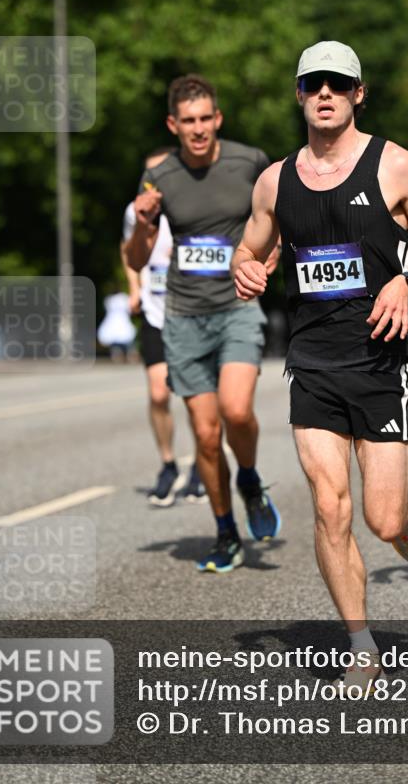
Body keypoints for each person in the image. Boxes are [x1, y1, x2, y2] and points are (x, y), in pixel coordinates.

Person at [232, 41, 408, 693]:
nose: (325, 93)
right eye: (313, 84)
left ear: (358, 93)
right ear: (299, 93)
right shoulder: (274, 180)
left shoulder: (394, 166)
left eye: (338, 83)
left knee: (380, 520)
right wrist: (245, 268)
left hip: (380, 364)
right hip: (311, 366)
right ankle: (359, 644)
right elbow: (247, 250)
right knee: (329, 508)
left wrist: (407, 283)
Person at [125, 74, 280, 573]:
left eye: (204, 119)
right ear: (174, 124)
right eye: (186, 121)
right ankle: (225, 532)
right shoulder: (160, 179)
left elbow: (277, 220)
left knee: (237, 412)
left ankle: (250, 479)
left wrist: (269, 259)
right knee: (207, 436)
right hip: (184, 316)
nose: (197, 129)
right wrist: (142, 219)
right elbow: (136, 258)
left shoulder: (249, 162)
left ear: (218, 119)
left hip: (236, 306)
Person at [121, 148, 205, 507]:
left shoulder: (194, 206)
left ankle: (203, 467)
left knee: (195, 398)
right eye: (148, 176)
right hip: (155, 312)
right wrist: (134, 287)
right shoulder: (135, 211)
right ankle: (168, 465)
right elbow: (128, 252)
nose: (153, 183)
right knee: (158, 393)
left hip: (194, 312)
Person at [97, 291, 136, 362]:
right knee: (126, 338)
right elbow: (130, 309)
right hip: (121, 320)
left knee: (119, 339)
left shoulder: (109, 299)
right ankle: (127, 354)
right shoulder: (123, 298)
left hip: (115, 320)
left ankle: (120, 354)